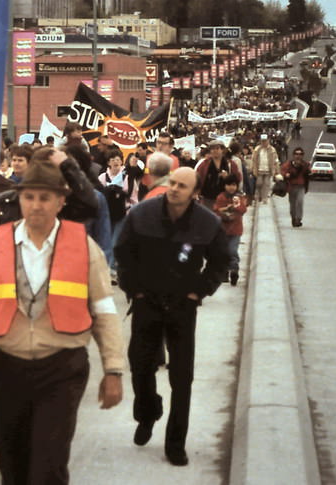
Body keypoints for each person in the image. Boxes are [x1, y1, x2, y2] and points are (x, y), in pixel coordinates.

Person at [0, 162, 125, 484]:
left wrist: (113, 370)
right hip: (8, 367)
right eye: (29, 197)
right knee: (10, 456)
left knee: (49, 461)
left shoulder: (84, 247)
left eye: (45, 197)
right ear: (19, 199)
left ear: (61, 202)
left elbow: (104, 310)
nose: (36, 205)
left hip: (62, 368)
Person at [114, 166, 229, 467]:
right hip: (146, 301)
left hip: (182, 305)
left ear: (195, 193)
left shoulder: (208, 223)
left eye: (182, 186)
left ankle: (175, 443)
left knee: (182, 377)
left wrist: (200, 290)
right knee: (140, 366)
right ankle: (148, 412)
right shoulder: (142, 214)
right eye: (172, 183)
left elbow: (220, 262)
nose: (175, 189)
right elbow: (123, 254)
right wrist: (134, 289)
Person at [213, 175, 247, 286]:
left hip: (235, 230)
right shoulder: (221, 197)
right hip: (223, 230)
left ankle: (234, 270)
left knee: (232, 250)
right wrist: (226, 212)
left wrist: (236, 205)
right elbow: (216, 211)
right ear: (224, 186)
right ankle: (224, 272)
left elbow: (243, 210)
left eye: (234, 185)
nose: (231, 187)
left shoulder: (239, 197)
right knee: (223, 251)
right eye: (229, 185)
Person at [194, 140, 242, 210]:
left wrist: (228, 177)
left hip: (225, 198)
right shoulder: (205, 164)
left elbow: (238, 178)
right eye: (212, 149)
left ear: (222, 150)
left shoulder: (230, 164)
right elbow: (197, 178)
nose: (214, 151)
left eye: (217, 148)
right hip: (208, 198)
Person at [281, 147, 311, 227]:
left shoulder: (305, 164)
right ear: (293, 155)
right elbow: (282, 171)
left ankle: (298, 219)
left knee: (300, 202)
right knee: (292, 204)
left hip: (301, 186)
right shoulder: (289, 164)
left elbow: (309, 173)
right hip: (291, 186)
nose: (298, 156)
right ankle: (293, 218)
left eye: (300, 154)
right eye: (296, 154)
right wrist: (286, 174)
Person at [251, 134, 280, 203]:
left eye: (265, 141)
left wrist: (277, 170)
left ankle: (264, 198)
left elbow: (276, 160)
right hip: (259, 170)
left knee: (266, 184)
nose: (264, 142)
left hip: (268, 170)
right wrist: (253, 168)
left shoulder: (272, 150)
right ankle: (259, 196)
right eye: (262, 141)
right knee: (259, 183)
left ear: (268, 141)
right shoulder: (257, 149)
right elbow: (254, 159)